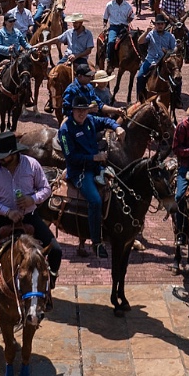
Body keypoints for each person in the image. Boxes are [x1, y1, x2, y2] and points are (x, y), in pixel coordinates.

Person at [0, 133, 60, 314]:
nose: (0, 160)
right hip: (0, 217)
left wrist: (31, 199)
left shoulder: (31, 165)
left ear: (14, 153)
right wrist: (7, 211)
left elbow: (46, 189)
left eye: (4, 156)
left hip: (28, 215)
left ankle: (47, 288)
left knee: (56, 250)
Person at [58, 95, 123, 258]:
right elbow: (70, 157)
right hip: (79, 171)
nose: (81, 113)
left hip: (96, 166)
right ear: (72, 111)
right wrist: (93, 158)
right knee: (95, 201)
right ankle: (96, 241)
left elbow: (106, 121)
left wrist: (117, 127)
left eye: (84, 110)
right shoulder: (65, 131)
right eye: (78, 110)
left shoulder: (90, 120)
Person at [0, 12, 29, 102]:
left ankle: (28, 97)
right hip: (2, 57)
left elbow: (24, 43)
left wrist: (32, 48)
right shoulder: (0, 32)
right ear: (5, 22)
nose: (12, 23)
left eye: (13, 21)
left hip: (15, 57)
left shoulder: (17, 32)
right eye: (10, 21)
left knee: (25, 73)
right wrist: (8, 48)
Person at [135, 15, 180, 102]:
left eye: (161, 24)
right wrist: (146, 32)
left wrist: (168, 52)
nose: (160, 26)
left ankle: (177, 99)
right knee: (140, 77)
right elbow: (140, 41)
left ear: (164, 25)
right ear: (155, 25)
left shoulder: (170, 36)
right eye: (158, 24)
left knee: (177, 79)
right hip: (150, 60)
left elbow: (174, 49)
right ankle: (139, 99)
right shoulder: (150, 34)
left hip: (164, 62)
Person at [101, 0, 135, 70]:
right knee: (111, 41)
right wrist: (105, 25)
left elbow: (131, 16)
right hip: (114, 27)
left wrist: (130, 19)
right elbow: (105, 17)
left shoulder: (128, 6)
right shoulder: (109, 5)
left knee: (133, 41)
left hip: (124, 27)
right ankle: (109, 60)